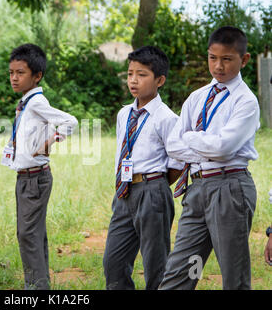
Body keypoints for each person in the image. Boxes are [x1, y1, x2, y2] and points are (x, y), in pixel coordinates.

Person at [159, 26, 260, 290]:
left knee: (233, 274)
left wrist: (191, 137)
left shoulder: (245, 102)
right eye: (212, 58)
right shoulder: (197, 97)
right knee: (183, 267)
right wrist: (206, 144)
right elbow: (172, 145)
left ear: (244, 59)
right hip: (198, 187)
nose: (218, 66)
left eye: (227, 59)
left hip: (230, 190)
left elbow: (224, 149)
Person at [102, 46, 182, 290]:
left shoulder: (167, 118)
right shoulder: (123, 114)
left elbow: (177, 162)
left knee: (155, 264)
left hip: (152, 191)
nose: (133, 80)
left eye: (142, 74)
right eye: (130, 74)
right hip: (124, 192)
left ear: (160, 80)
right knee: (113, 262)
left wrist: (153, 185)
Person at [3, 43, 78, 289]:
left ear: (37, 76)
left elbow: (70, 121)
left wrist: (50, 142)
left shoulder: (36, 102)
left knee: (27, 235)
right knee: (33, 234)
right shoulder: (26, 102)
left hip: (34, 178)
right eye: (11, 72)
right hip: (26, 177)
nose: (14, 78)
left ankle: (35, 289)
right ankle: (39, 284)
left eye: (20, 73)